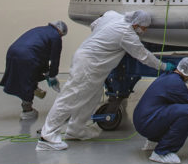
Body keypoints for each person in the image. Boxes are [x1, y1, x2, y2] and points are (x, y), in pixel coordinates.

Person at [36, 10, 175, 151]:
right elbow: (144, 56)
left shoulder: (112, 15)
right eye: (144, 28)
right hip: (89, 64)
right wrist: (163, 66)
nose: (144, 31)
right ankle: (47, 136)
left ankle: (76, 130)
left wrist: (105, 39)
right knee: (70, 97)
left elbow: (94, 25)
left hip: (91, 63)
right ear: (136, 24)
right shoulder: (126, 34)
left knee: (92, 97)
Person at [133, 56, 188, 164]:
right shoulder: (177, 84)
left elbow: (186, 100)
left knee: (181, 108)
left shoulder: (169, 76)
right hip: (147, 123)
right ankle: (162, 152)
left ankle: (153, 141)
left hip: (142, 120)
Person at [0, 20, 68, 120]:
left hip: (12, 52)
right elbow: (55, 58)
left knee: (25, 75)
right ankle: (27, 111)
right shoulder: (56, 36)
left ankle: (34, 89)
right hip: (27, 56)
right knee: (28, 80)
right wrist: (52, 75)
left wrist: (47, 72)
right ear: (61, 32)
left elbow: (41, 54)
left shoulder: (40, 30)